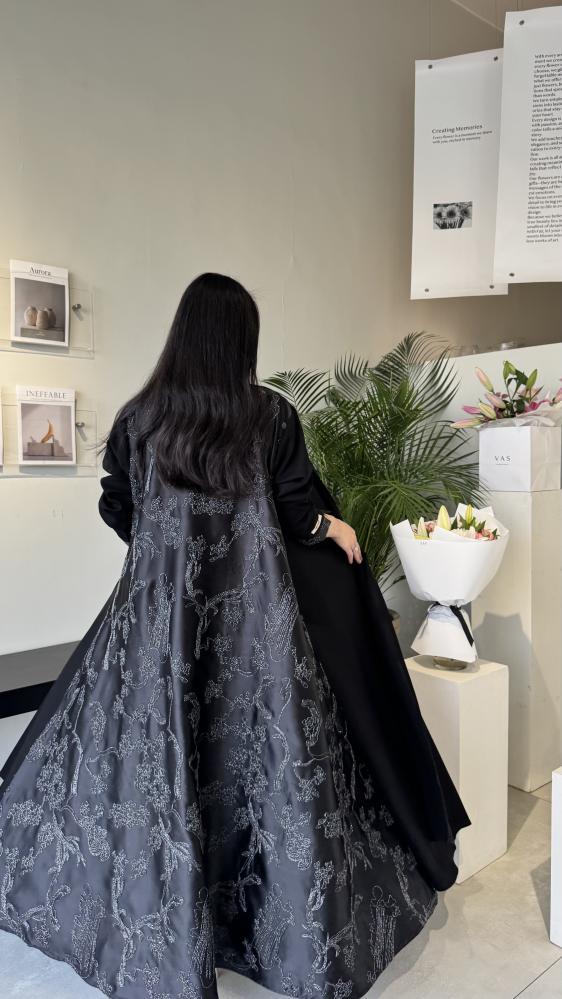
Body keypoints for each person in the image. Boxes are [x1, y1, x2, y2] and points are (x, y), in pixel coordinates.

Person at [0, 273, 469, 999]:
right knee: (268, 761)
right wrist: (333, 528)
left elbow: (116, 502)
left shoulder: (139, 417)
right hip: (257, 632)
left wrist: (166, 556)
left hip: (157, 622)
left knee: (145, 754)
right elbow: (295, 510)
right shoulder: (269, 416)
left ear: (182, 335)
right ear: (241, 339)